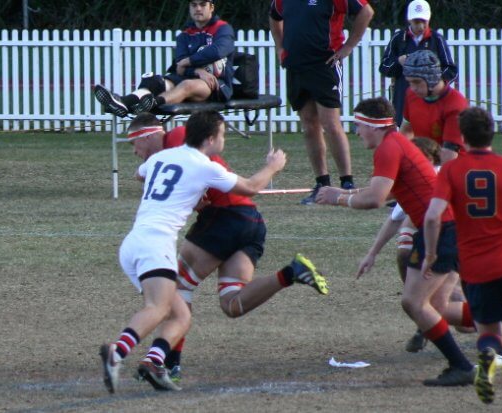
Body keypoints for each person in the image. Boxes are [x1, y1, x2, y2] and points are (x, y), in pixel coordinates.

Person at [125, 113, 329, 382]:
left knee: (176, 289)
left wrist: (272, 167)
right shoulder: (172, 153)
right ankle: (291, 273)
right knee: (232, 303)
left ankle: (167, 363)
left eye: (135, 144)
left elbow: (190, 170)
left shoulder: (176, 139)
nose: (135, 151)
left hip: (225, 218)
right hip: (251, 222)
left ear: (151, 135)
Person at [100, 110, 287, 393]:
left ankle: (155, 363)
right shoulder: (205, 165)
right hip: (156, 246)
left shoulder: (159, 159)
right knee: (157, 308)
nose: (223, 140)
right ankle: (116, 353)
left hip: (132, 245)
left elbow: (141, 174)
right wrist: (273, 166)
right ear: (211, 139)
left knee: (180, 316)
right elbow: (250, 187)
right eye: (223, 135)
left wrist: (189, 193)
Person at [316, 97, 475, 386]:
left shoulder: (389, 147)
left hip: (440, 230)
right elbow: (386, 192)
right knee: (437, 306)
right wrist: (341, 192)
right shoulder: (397, 143)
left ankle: (462, 364)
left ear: (372, 126)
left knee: (414, 302)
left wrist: (338, 199)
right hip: (445, 227)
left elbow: (376, 199)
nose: (357, 133)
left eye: (358, 126)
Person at [422, 107, 502, 404]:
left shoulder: (451, 170)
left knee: (489, 327)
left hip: (475, 268)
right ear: (493, 133)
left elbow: (431, 217)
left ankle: (489, 353)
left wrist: (429, 254)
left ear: (462, 138)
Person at [268, 0, 374, 205]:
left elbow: (366, 12)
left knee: (331, 124)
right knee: (309, 126)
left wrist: (349, 46)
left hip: (325, 64)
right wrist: (280, 47)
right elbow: (274, 17)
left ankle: (347, 184)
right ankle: (322, 185)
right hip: (297, 67)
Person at [356, 137, 442, 353]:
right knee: (405, 252)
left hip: (454, 236)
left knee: (446, 307)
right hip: (441, 234)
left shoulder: (437, 175)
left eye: (423, 157)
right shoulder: (414, 181)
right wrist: (372, 253)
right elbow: (394, 218)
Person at [93, 0, 235, 117]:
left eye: (202, 4)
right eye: (193, 5)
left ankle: (151, 104)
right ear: (189, 8)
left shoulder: (223, 29)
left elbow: (218, 51)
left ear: (211, 8)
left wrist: (189, 62)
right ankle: (123, 102)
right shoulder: (185, 36)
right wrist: (197, 71)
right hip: (191, 77)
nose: (198, 8)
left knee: (187, 86)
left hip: (216, 84)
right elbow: (180, 68)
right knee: (155, 82)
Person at [379, 0, 458, 126]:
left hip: (432, 100)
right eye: (416, 22)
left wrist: (434, 83)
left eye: (424, 21)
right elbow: (384, 67)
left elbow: (451, 69)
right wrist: (399, 62)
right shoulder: (398, 38)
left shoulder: (437, 39)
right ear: (409, 20)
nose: (421, 26)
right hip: (402, 100)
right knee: (405, 138)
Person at [399, 49, 467, 164]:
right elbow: (407, 129)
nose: (413, 87)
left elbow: (450, 155)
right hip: (427, 162)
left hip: (456, 168)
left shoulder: (455, 105)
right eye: (409, 82)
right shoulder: (411, 94)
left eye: (416, 82)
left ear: (432, 78)